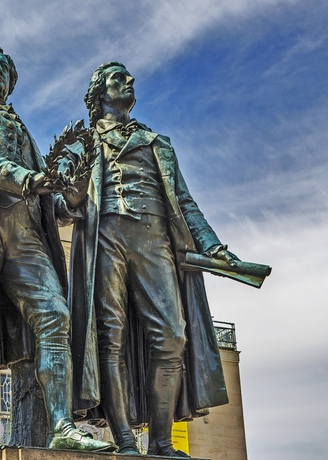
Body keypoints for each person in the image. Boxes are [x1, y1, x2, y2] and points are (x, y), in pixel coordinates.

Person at [0, 43, 115, 452]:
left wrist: (74, 197)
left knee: (54, 316)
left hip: (25, 229)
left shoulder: (23, 130)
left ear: (11, 83)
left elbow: (49, 201)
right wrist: (27, 178)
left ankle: (61, 426)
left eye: (4, 69)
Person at [66, 62, 238, 457]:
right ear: (98, 93)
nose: (128, 81)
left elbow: (184, 201)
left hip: (155, 239)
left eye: (128, 77)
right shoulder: (84, 141)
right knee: (110, 338)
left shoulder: (157, 142)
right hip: (105, 236)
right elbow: (62, 203)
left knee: (172, 336)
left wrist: (211, 245)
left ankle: (161, 440)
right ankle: (124, 439)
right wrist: (70, 195)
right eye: (117, 77)